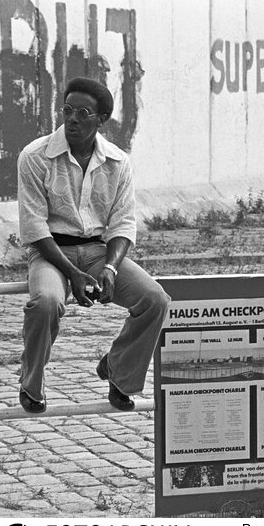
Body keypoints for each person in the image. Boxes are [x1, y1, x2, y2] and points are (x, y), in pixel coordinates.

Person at [16, 77, 170, 414]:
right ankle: (31, 383)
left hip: (100, 250)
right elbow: (34, 226)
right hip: (50, 252)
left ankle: (119, 371)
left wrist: (112, 268)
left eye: (83, 113)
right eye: (67, 110)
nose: (71, 118)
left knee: (155, 299)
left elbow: (123, 224)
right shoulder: (35, 156)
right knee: (46, 303)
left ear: (101, 120)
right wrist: (71, 273)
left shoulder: (117, 162)